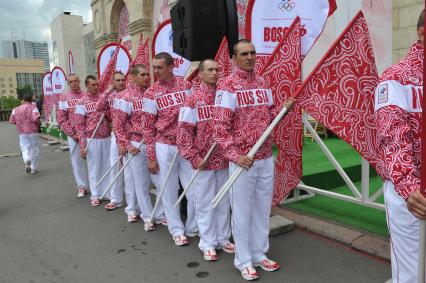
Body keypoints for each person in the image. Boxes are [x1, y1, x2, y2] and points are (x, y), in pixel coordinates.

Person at [214, 39, 294, 281]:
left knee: (261, 209)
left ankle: (259, 253)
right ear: (234, 58)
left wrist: (283, 109)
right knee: (241, 211)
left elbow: (270, 116)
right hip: (242, 161)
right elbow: (220, 127)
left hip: (265, 157)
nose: (250, 57)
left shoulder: (262, 82)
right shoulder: (227, 86)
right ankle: (243, 259)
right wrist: (235, 155)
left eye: (252, 53)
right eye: (244, 54)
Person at [374, 10, 424, 283]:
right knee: (411, 274)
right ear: (422, 32)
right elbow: (391, 135)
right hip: (413, 194)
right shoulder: (395, 78)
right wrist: (408, 186)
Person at [177, 59, 234, 261]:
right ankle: (207, 242)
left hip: (225, 158)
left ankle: (222, 238)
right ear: (199, 74)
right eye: (210, 69)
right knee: (205, 202)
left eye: (218, 69)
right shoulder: (192, 100)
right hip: (203, 161)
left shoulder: (225, 97)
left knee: (223, 200)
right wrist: (193, 156)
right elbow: (184, 131)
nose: (215, 72)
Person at [142, 52, 194, 246]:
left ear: (171, 67)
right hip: (164, 145)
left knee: (193, 189)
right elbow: (147, 127)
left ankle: (192, 227)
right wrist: (151, 156)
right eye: (153, 67)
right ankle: (176, 229)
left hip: (187, 145)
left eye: (159, 67)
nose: (155, 71)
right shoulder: (150, 93)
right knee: (169, 189)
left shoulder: (186, 86)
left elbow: (193, 116)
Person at [113, 64, 164, 227]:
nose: (146, 77)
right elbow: (118, 124)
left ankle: (161, 213)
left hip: (154, 142)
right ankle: (147, 216)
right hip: (136, 143)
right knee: (140, 183)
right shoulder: (123, 97)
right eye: (142, 75)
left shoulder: (152, 93)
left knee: (160, 181)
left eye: (147, 74)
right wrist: (127, 145)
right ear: (133, 77)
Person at [75, 76, 111, 207]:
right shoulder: (81, 102)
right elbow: (79, 125)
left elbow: (110, 117)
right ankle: (95, 194)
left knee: (106, 166)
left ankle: (106, 192)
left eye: (97, 84)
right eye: (93, 85)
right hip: (92, 138)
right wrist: (83, 145)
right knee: (94, 167)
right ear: (87, 85)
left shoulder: (103, 98)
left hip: (106, 137)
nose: (96, 87)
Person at [96, 71, 127, 210]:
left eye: (123, 79)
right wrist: (108, 91)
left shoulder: (132, 93)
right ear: (113, 82)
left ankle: (136, 204)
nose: (121, 82)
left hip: (133, 136)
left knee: (132, 171)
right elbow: (99, 107)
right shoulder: (111, 96)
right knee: (114, 166)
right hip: (116, 135)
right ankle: (116, 198)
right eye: (118, 80)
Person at [57, 74, 89, 198]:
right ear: (68, 83)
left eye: (76, 80)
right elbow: (61, 119)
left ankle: (97, 187)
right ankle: (82, 186)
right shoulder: (64, 98)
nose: (74, 83)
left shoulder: (86, 96)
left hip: (89, 134)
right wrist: (73, 134)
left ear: (79, 81)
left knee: (93, 162)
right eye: (71, 82)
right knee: (76, 162)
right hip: (73, 136)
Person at [9, 93, 41, 174]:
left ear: (23, 100)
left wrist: (20, 123)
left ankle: (27, 159)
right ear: (31, 100)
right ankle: (33, 168)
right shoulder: (34, 107)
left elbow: (12, 121)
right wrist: (39, 126)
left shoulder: (15, 109)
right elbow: (36, 119)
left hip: (22, 132)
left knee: (24, 148)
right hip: (33, 131)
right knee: (34, 149)